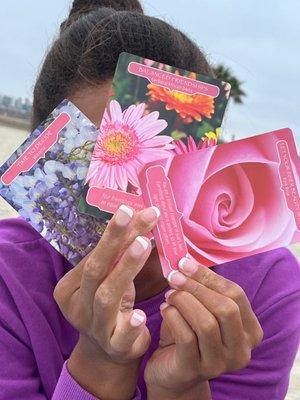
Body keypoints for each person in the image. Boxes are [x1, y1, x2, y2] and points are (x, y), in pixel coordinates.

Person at [0, 1, 299, 399]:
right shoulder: (9, 276)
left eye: (162, 170)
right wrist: (99, 363)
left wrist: (181, 387)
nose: (129, 209)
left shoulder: (266, 285)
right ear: (40, 157)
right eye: (94, 166)